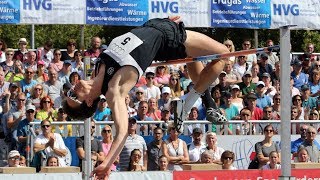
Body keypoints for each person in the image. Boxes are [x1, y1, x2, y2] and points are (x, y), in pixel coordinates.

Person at [63, 16, 229, 178]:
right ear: (89, 101)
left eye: (69, 92)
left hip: (152, 26)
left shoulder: (97, 68)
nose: (73, 88)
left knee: (193, 58)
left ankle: (206, 102)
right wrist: (107, 163)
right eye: (74, 95)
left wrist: (161, 21)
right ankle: (187, 105)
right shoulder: (114, 91)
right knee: (223, 53)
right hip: (165, 38)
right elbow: (121, 133)